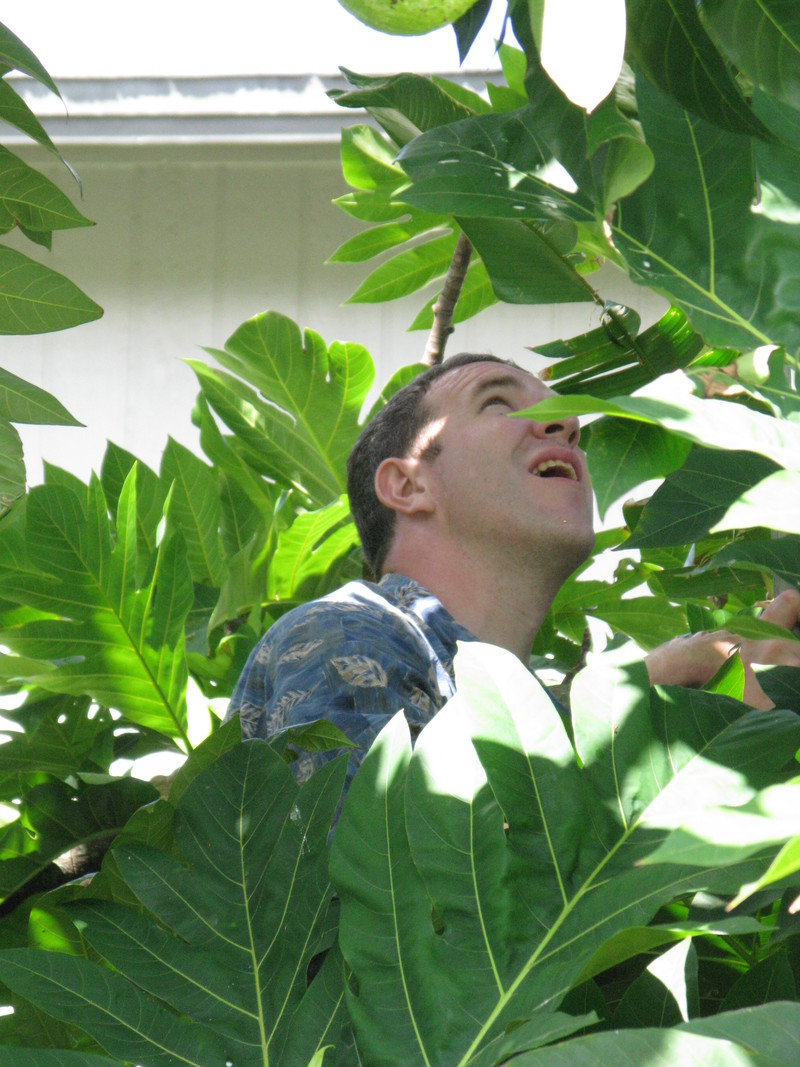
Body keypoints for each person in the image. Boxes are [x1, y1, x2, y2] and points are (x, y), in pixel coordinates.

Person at [227, 353, 800, 784]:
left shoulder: (533, 713)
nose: (566, 425)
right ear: (407, 485)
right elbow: (404, 906)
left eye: (560, 413)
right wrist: (729, 735)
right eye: (499, 403)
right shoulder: (348, 634)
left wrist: (680, 693)